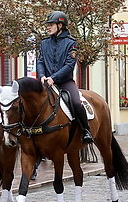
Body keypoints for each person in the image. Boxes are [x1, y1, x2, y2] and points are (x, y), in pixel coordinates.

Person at [37, 11, 93, 144]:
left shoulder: (71, 43)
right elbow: (40, 61)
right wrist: (42, 76)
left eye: (51, 25)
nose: (48, 27)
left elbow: (69, 65)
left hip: (64, 82)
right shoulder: (44, 43)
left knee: (76, 103)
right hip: (46, 82)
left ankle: (86, 130)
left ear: (60, 25)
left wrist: (54, 78)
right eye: (48, 25)